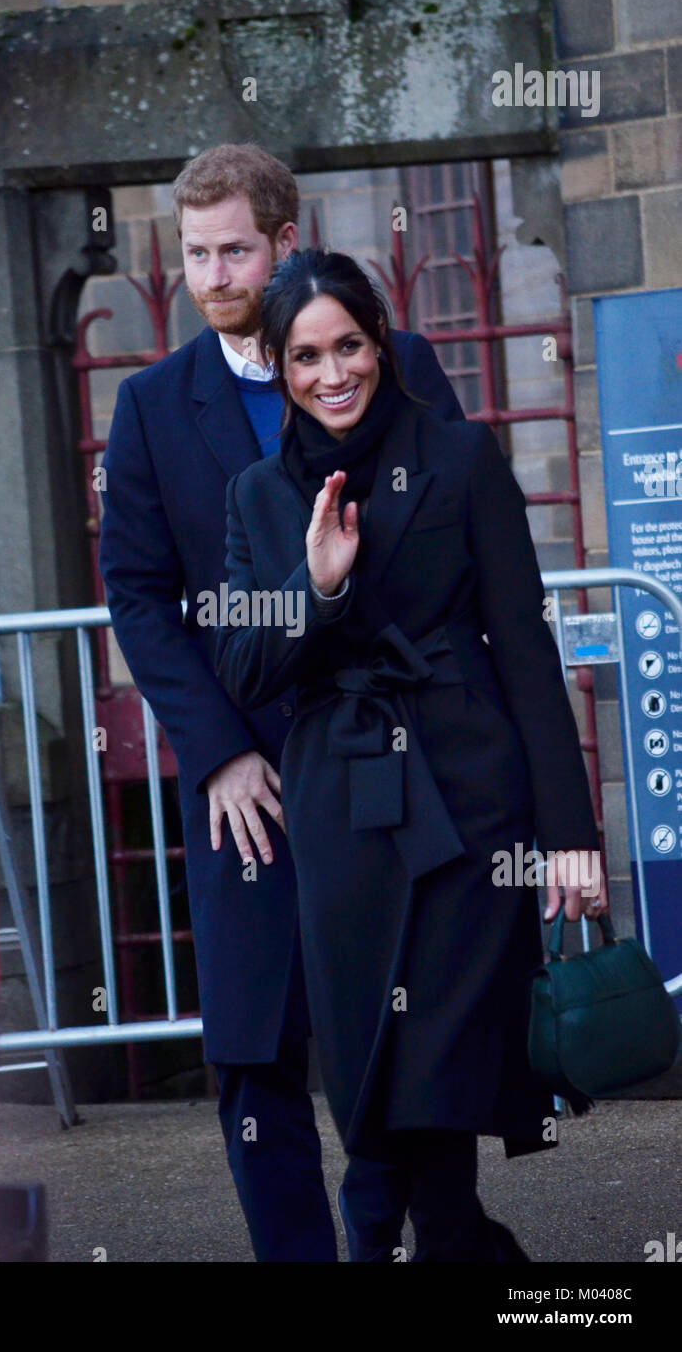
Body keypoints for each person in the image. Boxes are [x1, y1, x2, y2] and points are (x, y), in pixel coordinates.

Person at [99, 145, 467, 1262]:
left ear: (284, 243)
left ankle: (405, 1239)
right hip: (248, 782)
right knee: (259, 1048)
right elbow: (140, 593)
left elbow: (460, 548)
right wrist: (213, 753)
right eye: (197, 253)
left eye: (235, 250)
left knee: (408, 1025)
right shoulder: (155, 404)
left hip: (385, 761)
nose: (214, 274)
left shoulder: (389, 363)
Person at [214, 246, 609, 1262]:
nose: (331, 373)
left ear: (380, 345)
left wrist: (569, 833)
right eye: (305, 356)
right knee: (367, 1060)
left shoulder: (462, 458)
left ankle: (390, 1229)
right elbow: (246, 667)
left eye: (348, 345)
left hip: (470, 801)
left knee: (435, 1057)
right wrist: (317, 586)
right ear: (280, 366)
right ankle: (460, 1243)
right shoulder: (258, 497)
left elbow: (525, 648)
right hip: (343, 811)